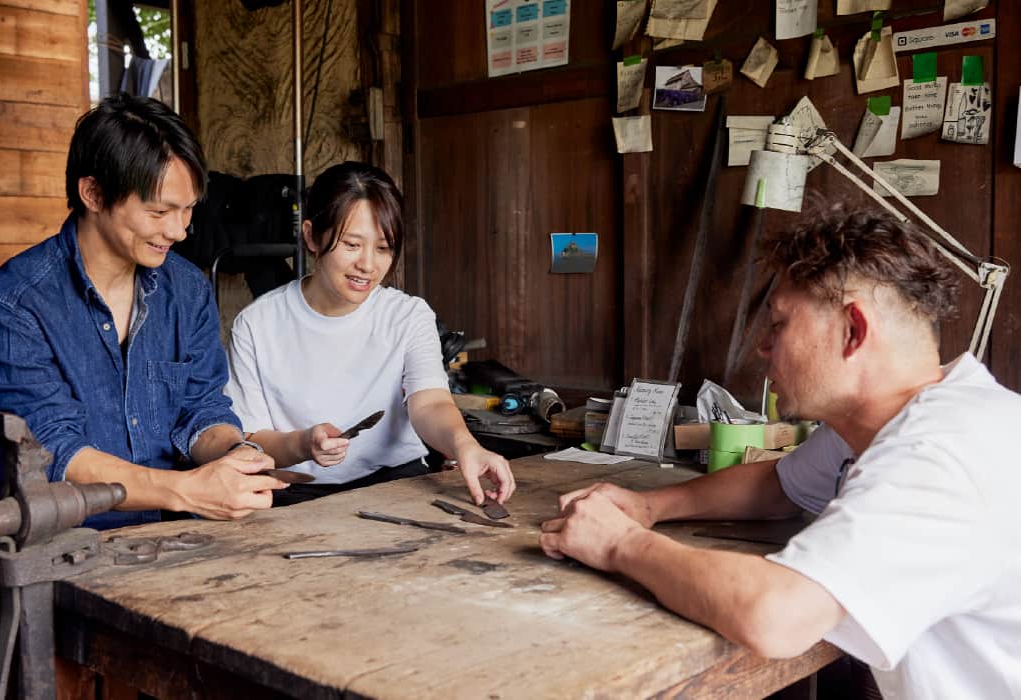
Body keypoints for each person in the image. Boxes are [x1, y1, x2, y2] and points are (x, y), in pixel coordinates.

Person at [539, 210, 1021, 699]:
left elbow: (776, 617)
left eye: (779, 323)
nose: (763, 348)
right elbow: (779, 485)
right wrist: (649, 507)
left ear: (853, 331)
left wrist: (621, 545)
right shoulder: (907, 416)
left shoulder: (938, 453)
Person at [0, 94, 282, 529]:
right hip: (54, 546)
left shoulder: (187, 289)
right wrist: (187, 490)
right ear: (93, 193)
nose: (179, 230)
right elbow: (53, 451)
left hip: (171, 535)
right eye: (159, 211)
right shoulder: (14, 305)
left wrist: (234, 454)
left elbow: (201, 407)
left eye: (188, 209)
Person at [224, 161, 515, 506]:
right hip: (297, 493)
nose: (368, 265)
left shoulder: (408, 315)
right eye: (351, 244)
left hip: (397, 484)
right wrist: (303, 444)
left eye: (383, 248)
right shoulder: (257, 324)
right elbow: (251, 438)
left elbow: (431, 401)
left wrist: (465, 445)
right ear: (311, 236)